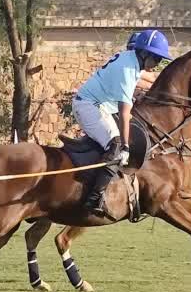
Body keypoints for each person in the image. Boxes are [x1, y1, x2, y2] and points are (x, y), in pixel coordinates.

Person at [73, 28, 171, 216]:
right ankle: (94, 198)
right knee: (116, 147)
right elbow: (125, 112)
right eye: (157, 58)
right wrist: (125, 146)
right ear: (144, 53)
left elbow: (148, 79)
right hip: (88, 106)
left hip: (101, 106)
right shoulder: (128, 69)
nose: (158, 63)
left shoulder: (132, 60)